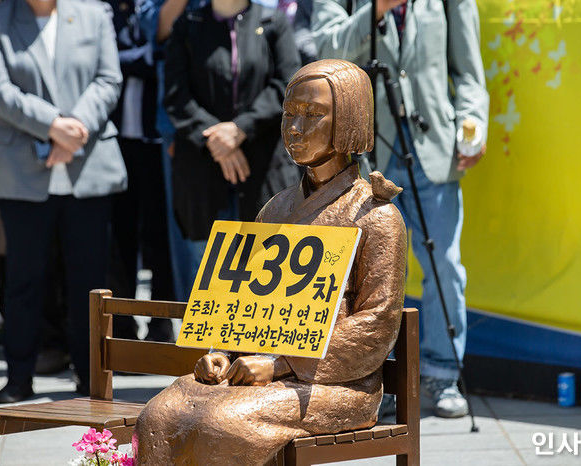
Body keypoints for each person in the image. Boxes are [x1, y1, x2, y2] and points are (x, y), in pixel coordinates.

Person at [134, 59, 406, 465]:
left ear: (349, 120)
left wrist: (280, 364)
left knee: (224, 423)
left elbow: (377, 322)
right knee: (159, 414)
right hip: (256, 366)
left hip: (337, 383)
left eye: (313, 115)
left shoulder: (376, 215)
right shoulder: (276, 207)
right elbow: (246, 298)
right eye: (289, 114)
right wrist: (221, 352)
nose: (295, 128)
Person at [312, 0, 489, 417]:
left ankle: (443, 374)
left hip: (434, 149)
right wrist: (374, 11)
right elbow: (326, 50)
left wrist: (472, 123)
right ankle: (378, 379)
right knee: (369, 276)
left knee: (444, 264)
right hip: (368, 156)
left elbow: (468, 70)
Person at [0, 0, 126, 403]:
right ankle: (18, 378)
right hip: (21, 173)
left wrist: (73, 132)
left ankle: (91, 380)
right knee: (23, 281)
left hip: (88, 166)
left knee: (90, 284)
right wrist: (52, 127)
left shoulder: (95, 14)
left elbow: (108, 79)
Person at [162, 0, 300, 251]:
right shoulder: (187, 25)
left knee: (262, 275)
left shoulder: (274, 22)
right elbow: (175, 95)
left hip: (264, 172)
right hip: (202, 176)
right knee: (205, 280)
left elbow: (288, 87)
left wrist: (240, 130)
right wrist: (217, 140)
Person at [105, 0, 176, 342]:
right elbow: (108, 62)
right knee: (119, 237)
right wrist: (144, 57)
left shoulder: (156, 9)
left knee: (159, 235)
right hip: (117, 142)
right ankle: (121, 325)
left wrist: (139, 58)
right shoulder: (108, 12)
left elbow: (165, 54)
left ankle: (160, 324)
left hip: (155, 141)